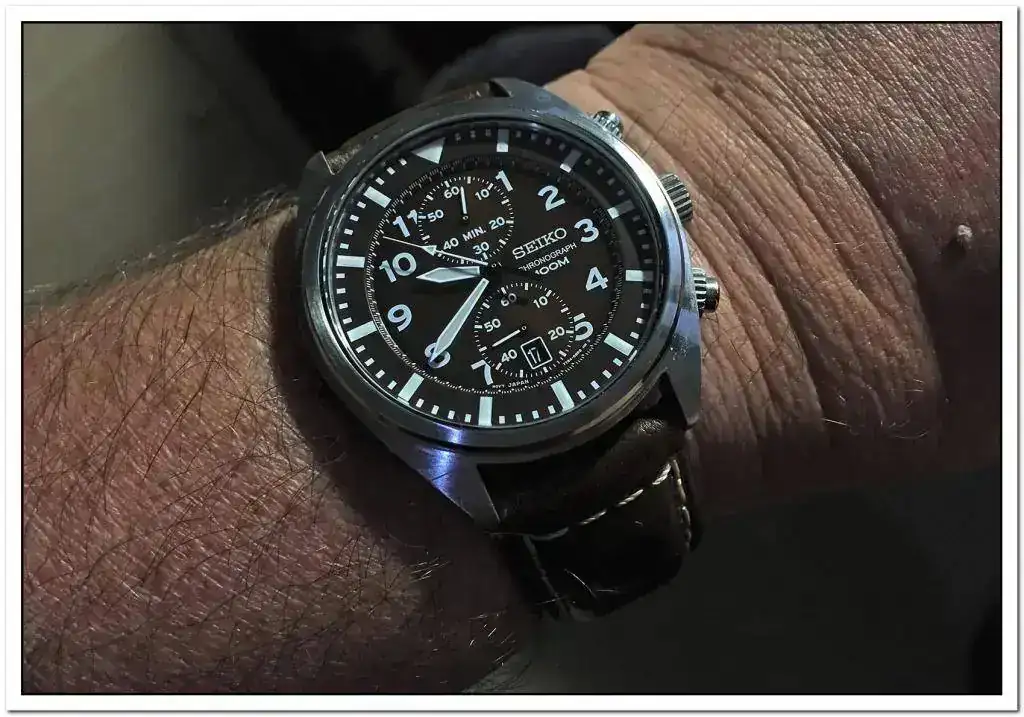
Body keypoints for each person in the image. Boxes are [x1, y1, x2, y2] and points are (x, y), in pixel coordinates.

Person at [22, 23, 1000, 693]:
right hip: (487, 413)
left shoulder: (661, 318)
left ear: (669, 226)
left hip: (572, 341)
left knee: (513, 63)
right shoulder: (424, 404)